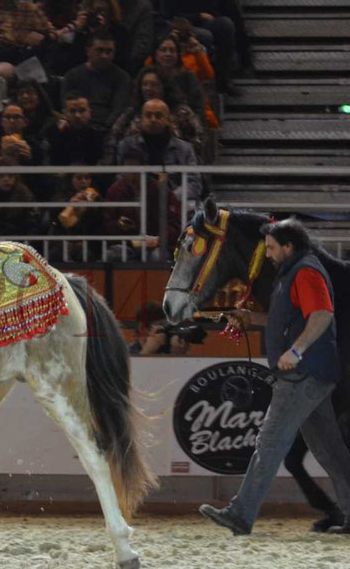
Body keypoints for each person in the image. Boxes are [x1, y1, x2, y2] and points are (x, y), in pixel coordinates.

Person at [201, 218, 350, 535]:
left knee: (269, 442)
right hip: (313, 374)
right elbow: (287, 318)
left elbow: (322, 314)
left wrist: (295, 351)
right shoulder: (292, 273)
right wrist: (251, 317)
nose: (266, 254)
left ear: (288, 247)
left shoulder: (306, 272)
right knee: (330, 451)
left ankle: (241, 514)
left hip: (303, 374)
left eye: (270, 248)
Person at [116, 98, 202, 203]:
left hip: (175, 204)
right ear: (141, 119)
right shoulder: (126, 145)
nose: (153, 119)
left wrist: (170, 197)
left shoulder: (184, 149)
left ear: (167, 120)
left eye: (158, 116)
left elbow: (194, 184)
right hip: (137, 203)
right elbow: (120, 179)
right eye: (148, 115)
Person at [61, 31, 130, 130]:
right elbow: (68, 107)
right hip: (77, 125)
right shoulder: (72, 76)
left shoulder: (122, 78)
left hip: (107, 129)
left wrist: (103, 129)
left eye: (109, 52)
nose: (104, 56)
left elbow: (119, 110)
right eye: (99, 50)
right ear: (88, 51)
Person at [100, 0, 154, 74]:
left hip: (128, 67)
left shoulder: (142, 6)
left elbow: (142, 43)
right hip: (96, 63)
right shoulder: (94, 1)